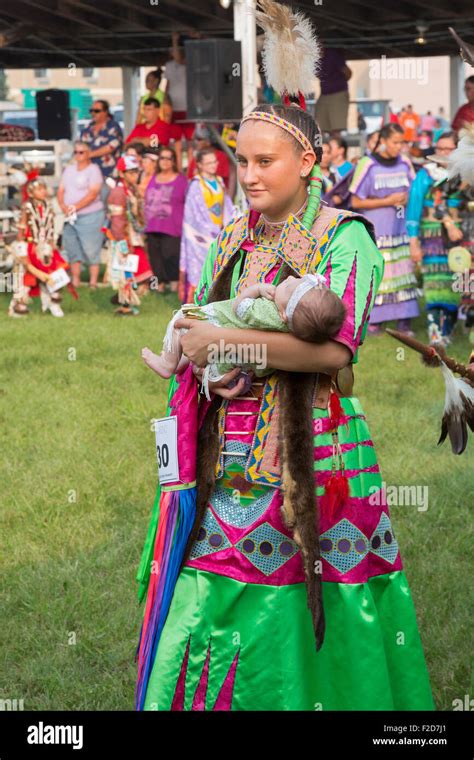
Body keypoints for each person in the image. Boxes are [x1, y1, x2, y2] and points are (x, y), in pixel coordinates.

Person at [135, 0, 434, 713]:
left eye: (263, 161)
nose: (248, 174)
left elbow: (333, 349)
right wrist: (206, 351)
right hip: (232, 449)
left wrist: (225, 341)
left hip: (318, 453)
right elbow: (214, 314)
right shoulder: (238, 237)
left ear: (308, 159)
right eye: (241, 160)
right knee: (212, 584)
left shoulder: (345, 238)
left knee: (317, 589)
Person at [142, 274, 345, 395]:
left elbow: (241, 307)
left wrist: (255, 289)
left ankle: (167, 364)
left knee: (183, 316)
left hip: (220, 349)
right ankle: (181, 363)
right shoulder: (295, 327)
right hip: (235, 372)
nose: (290, 277)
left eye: (289, 285)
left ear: (284, 314)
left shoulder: (267, 313)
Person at [349, 123, 420, 336]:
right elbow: (356, 201)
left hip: (400, 229)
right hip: (378, 228)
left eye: (402, 142)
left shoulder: (406, 163)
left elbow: (415, 192)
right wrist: (387, 200)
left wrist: (408, 199)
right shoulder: (368, 164)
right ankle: (375, 320)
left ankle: (404, 320)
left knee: (402, 271)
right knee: (380, 272)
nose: (399, 147)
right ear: (384, 141)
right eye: (395, 142)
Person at [406, 132, 461, 343]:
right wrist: (413, 241)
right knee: (434, 284)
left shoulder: (464, 175)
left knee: (457, 284)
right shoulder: (425, 175)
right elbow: (413, 209)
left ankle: (448, 329)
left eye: (449, 149)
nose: (444, 153)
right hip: (431, 238)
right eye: (440, 148)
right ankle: (435, 333)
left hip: (460, 239)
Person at [9, 172, 71, 317]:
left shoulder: (47, 205)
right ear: (31, 192)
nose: (42, 191)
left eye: (43, 188)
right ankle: (19, 305)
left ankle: (53, 303)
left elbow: (50, 227)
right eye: (38, 189)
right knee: (27, 277)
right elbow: (22, 227)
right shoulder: (27, 207)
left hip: (47, 247)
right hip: (31, 247)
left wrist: (52, 244)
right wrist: (21, 247)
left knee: (55, 274)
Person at [178, 148, 235, 304]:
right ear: (200, 165)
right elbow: (192, 214)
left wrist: (232, 222)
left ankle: (213, 300)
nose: (213, 165)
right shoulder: (196, 185)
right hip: (198, 237)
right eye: (208, 163)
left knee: (216, 266)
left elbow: (227, 207)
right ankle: (194, 301)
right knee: (200, 268)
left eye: (214, 161)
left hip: (218, 233)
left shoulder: (219, 182)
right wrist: (208, 229)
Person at [105, 154, 153, 315]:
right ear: (121, 173)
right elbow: (117, 220)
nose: (134, 176)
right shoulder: (119, 192)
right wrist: (122, 243)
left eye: (135, 172)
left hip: (134, 237)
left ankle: (123, 300)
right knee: (127, 272)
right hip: (123, 239)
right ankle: (124, 303)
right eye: (130, 172)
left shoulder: (131, 190)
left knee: (139, 272)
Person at [58, 141, 105, 290]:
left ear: (88, 153)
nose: (78, 155)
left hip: (90, 214)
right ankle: (75, 280)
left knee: (91, 248)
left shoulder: (94, 170)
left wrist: (74, 207)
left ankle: (93, 282)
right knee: (72, 248)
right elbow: (61, 190)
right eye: (76, 152)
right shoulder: (69, 170)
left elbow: (93, 193)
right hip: (70, 216)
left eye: (82, 152)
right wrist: (63, 206)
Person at [144, 145, 188, 293]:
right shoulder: (152, 178)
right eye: (162, 158)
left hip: (173, 226)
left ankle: (175, 285)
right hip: (152, 225)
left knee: (171, 255)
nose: (165, 161)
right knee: (155, 258)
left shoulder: (181, 180)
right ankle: (159, 287)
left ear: (174, 161)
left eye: (169, 158)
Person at [165, 32, 195, 170]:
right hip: (174, 109)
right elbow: (168, 84)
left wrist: (174, 40)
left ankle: (190, 171)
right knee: (176, 143)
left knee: (190, 144)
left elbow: (178, 59)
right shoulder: (169, 65)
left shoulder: (188, 64)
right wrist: (165, 104)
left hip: (187, 108)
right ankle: (178, 172)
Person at [187, 123, 236, 197]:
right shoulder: (196, 157)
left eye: (199, 139)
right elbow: (190, 181)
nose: (196, 142)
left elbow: (220, 182)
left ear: (208, 141)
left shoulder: (221, 156)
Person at [80, 100, 123, 180]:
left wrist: (90, 154)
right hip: (89, 172)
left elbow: (111, 146)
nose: (93, 113)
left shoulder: (113, 126)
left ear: (105, 112)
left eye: (96, 111)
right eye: (91, 111)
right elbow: (81, 146)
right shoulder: (87, 127)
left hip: (108, 173)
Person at [315, 45, 352, 134]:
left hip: (338, 93)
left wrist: (337, 82)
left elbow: (348, 72)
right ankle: (323, 146)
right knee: (320, 126)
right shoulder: (315, 58)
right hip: (324, 94)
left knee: (336, 128)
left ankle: (336, 146)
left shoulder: (333, 54)